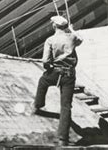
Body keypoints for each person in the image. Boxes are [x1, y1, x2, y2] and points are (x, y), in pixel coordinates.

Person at [33, 15, 83, 146]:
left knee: (43, 82)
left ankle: (38, 105)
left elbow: (45, 60)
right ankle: (63, 138)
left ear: (54, 26)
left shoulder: (50, 40)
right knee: (66, 106)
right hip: (69, 74)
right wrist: (71, 29)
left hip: (55, 72)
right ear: (65, 26)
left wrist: (48, 67)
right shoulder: (72, 38)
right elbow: (81, 39)